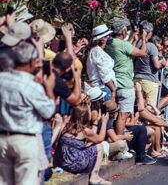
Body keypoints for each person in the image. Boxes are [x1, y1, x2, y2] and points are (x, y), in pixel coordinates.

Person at [0, 42, 56, 185]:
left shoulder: (2, 79)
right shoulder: (31, 85)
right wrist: (49, 89)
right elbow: (48, 112)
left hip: (3, 138)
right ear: (31, 61)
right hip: (24, 140)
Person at [105, 17, 148, 136]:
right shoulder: (123, 44)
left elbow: (127, 54)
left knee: (113, 115)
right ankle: (120, 143)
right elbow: (143, 53)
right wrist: (143, 39)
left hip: (113, 83)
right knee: (123, 115)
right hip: (125, 84)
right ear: (123, 31)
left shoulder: (109, 42)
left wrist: (134, 40)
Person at [55, 103, 111, 185]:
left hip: (64, 164)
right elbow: (100, 139)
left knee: (88, 146)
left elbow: (91, 139)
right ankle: (94, 177)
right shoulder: (84, 130)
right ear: (85, 116)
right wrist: (104, 122)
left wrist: (95, 122)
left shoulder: (66, 126)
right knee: (99, 147)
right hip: (76, 166)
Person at [134, 21, 164, 109]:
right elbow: (157, 65)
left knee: (138, 107)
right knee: (149, 108)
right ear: (149, 33)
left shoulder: (136, 44)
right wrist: (162, 64)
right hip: (149, 80)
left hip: (137, 78)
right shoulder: (151, 46)